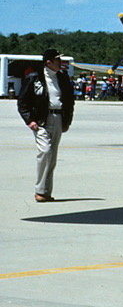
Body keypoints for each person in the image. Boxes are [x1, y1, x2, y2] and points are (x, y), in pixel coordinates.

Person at [18, 49, 76, 203]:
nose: (60, 63)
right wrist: (29, 120)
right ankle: (40, 190)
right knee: (45, 151)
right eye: (57, 60)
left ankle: (45, 192)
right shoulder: (34, 78)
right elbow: (22, 102)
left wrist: (67, 121)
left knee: (52, 156)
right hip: (41, 120)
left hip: (58, 118)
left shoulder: (62, 78)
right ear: (48, 62)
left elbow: (70, 101)